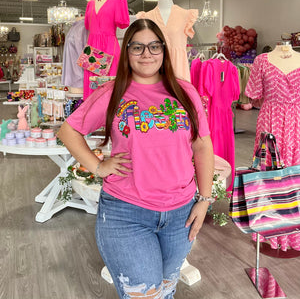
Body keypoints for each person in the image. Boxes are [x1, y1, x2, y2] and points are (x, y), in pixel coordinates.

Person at [58, 18, 214, 299]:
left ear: (164, 51)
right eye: (137, 47)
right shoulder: (111, 92)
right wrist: (98, 167)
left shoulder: (185, 91)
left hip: (181, 214)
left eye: (154, 46)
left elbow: (202, 146)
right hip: (126, 213)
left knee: (166, 290)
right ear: (126, 52)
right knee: (143, 295)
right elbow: (68, 131)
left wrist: (204, 200)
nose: (147, 54)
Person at [245, 41, 300, 251]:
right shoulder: (261, 61)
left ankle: (293, 234)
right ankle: (271, 232)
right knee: (269, 176)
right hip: (270, 122)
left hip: (297, 125)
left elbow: (255, 96)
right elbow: (254, 95)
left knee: (295, 178)